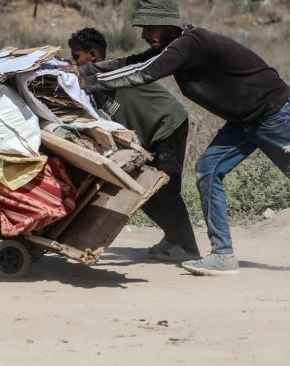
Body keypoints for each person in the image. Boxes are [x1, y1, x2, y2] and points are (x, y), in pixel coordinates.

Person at [76, 0, 290, 276]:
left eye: (149, 27)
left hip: (273, 115)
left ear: (169, 24)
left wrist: (90, 82)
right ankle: (223, 255)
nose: (145, 35)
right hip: (245, 119)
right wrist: (88, 72)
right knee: (208, 168)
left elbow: (145, 72)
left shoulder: (190, 44)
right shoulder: (174, 47)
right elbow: (135, 61)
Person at [68, 27, 200, 261]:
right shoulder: (92, 86)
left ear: (94, 56)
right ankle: (173, 237)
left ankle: (188, 248)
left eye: (77, 56)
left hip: (167, 125)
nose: (74, 61)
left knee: (167, 190)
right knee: (142, 192)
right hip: (148, 135)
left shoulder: (113, 73)